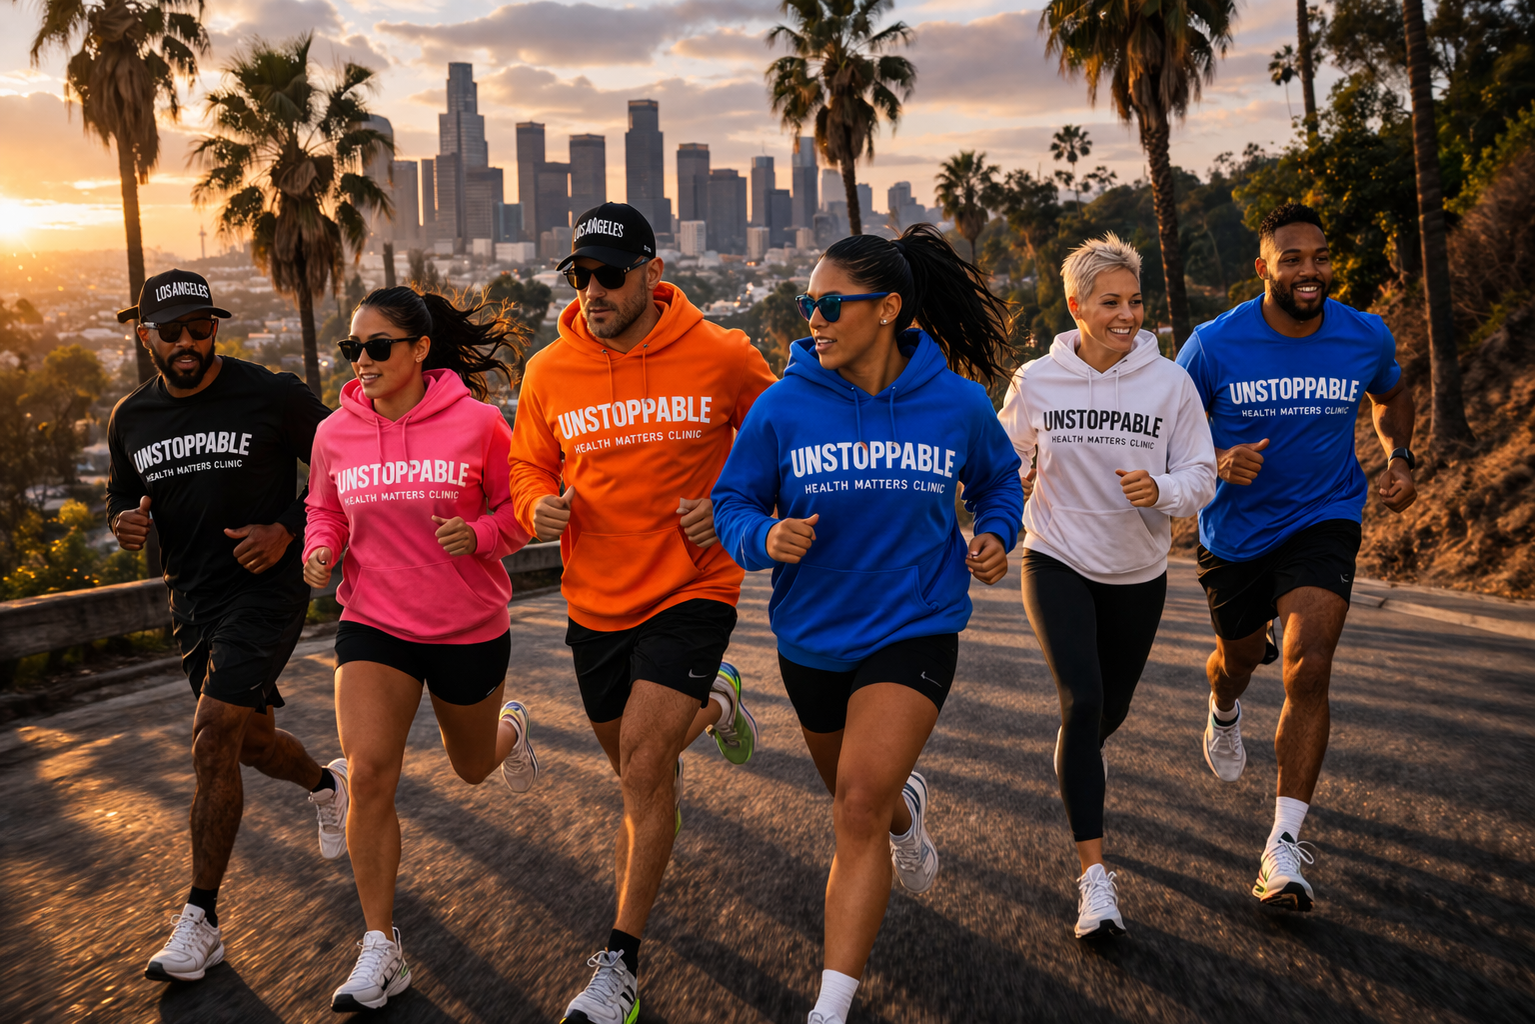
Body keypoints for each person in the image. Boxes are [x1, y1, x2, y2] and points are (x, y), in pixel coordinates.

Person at [712, 224, 1025, 1024]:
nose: (811, 318)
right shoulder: (784, 406)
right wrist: (763, 537)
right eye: (805, 303)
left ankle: (830, 1006)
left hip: (915, 625)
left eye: (826, 304)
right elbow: (733, 503)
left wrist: (993, 535)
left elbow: (999, 482)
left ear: (886, 309)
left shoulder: (953, 400)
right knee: (863, 797)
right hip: (812, 637)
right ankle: (905, 814)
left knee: (852, 807)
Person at [507, 203, 778, 1024]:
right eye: (580, 275)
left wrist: (732, 503)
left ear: (652, 275)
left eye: (609, 274)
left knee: (641, 766)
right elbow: (527, 466)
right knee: (634, 767)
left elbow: (782, 438)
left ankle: (618, 964)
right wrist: (535, 509)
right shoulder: (547, 371)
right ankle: (718, 700)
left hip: (694, 587)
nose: (592, 289)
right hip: (594, 599)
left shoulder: (722, 353)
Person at [301, 286, 542, 1011]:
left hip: (468, 624)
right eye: (353, 349)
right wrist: (320, 550)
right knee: (369, 774)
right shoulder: (334, 433)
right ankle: (381, 947)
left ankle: (511, 730)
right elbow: (324, 510)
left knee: (471, 768)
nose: (363, 361)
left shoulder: (478, 425)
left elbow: (517, 512)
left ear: (418, 350)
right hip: (374, 623)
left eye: (378, 347)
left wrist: (482, 536)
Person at [1177, 202, 1417, 912]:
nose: (1308, 271)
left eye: (1318, 257)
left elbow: (1392, 392)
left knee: (1307, 666)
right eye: (1291, 259)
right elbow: (1166, 431)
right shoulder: (1212, 344)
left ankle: (1281, 847)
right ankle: (1222, 704)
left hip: (1325, 516)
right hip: (1233, 533)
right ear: (1262, 269)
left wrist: (1398, 454)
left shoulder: (1361, 335)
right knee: (1240, 659)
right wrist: (1218, 458)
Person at [106, 269, 337, 982]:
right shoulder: (130, 419)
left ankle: (200, 920)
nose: (186, 343)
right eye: (170, 331)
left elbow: (343, 467)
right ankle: (328, 788)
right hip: (194, 603)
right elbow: (123, 499)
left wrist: (287, 530)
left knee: (211, 734)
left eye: (199, 329)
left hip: (266, 592)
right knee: (248, 742)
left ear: (217, 329)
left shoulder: (270, 395)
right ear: (145, 336)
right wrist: (125, 523)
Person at [998, 234, 1217, 938]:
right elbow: (1005, 461)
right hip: (1054, 556)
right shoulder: (1036, 380)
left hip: (1137, 570)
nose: (1126, 315)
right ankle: (1094, 880)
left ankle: (1074, 755)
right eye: (1109, 302)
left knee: (1099, 718)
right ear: (1076, 305)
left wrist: (1159, 488)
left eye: (1134, 301)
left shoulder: (1169, 383)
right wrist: (1016, 479)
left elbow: (1202, 476)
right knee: (1083, 700)